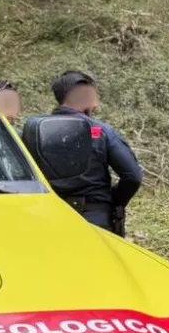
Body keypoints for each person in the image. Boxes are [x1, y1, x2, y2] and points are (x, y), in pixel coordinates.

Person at [35, 70, 143, 234]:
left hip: (46, 217)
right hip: (94, 219)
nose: (96, 105)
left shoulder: (32, 130)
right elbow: (132, 176)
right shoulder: (101, 131)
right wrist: (113, 200)